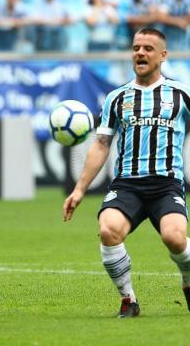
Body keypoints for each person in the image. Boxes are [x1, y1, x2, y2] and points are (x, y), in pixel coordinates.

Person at [63, 28, 190, 318]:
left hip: (167, 184)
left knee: (174, 238)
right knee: (108, 230)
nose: (140, 53)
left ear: (162, 55)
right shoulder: (117, 98)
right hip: (127, 185)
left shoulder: (181, 93)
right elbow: (101, 144)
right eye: (136, 48)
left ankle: (188, 279)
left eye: (147, 48)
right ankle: (128, 299)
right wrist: (80, 189)